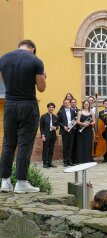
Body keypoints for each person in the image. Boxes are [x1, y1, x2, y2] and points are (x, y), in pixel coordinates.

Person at [0, 40, 46, 193]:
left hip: (10, 105)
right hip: (28, 105)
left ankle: (5, 182)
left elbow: (3, 80)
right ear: (33, 48)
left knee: (8, 143)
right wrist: (42, 76)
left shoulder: (4, 58)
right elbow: (41, 88)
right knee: (25, 144)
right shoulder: (35, 61)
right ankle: (21, 183)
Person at [57, 99, 77, 167]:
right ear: (63, 104)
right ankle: (65, 161)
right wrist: (64, 127)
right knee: (65, 147)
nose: (67, 104)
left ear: (70, 103)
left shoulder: (73, 111)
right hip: (64, 131)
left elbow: (75, 120)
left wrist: (71, 127)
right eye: (65, 103)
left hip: (71, 131)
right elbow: (58, 121)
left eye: (68, 102)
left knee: (70, 146)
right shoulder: (60, 112)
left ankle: (69, 161)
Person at [40, 102, 58, 169]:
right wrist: (43, 135)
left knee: (51, 150)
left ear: (53, 108)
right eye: (50, 107)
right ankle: (45, 163)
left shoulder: (55, 117)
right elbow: (41, 127)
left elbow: (57, 126)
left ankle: (50, 163)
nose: (51, 108)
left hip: (53, 135)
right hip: (46, 135)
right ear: (48, 108)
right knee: (45, 150)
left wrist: (56, 128)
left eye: (52, 107)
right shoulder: (43, 116)